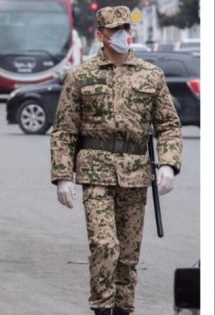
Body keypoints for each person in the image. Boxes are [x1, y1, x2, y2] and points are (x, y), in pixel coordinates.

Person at [50, 6, 182, 315]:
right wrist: (62, 175)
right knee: (105, 246)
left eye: (126, 28)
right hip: (95, 171)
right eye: (115, 30)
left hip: (135, 175)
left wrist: (168, 163)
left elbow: (168, 125)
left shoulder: (150, 75)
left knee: (128, 255)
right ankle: (102, 308)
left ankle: (123, 309)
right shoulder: (81, 76)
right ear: (101, 36)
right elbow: (64, 130)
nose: (123, 34)